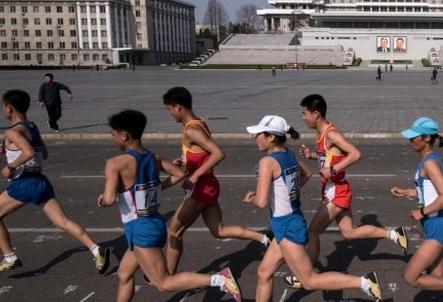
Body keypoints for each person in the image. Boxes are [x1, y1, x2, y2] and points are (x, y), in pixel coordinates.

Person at [98, 109, 242, 302]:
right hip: (150, 223)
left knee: (163, 283)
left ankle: (220, 279)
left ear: (124, 135)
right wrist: (157, 187)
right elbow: (179, 174)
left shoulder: (115, 163)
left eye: (113, 134)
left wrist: (102, 199)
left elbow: (108, 200)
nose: (113, 138)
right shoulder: (153, 157)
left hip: (141, 228)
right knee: (124, 274)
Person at [243, 115, 384, 301]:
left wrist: (251, 198)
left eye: (258, 134)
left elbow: (261, 202)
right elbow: (307, 174)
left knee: (309, 281)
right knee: (263, 273)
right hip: (288, 221)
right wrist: (286, 193)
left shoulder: (266, 162)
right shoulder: (287, 153)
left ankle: (364, 282)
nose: (255, 138)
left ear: (271, 137)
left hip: (286, 226)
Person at [284, 94, 408, 290]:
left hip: (337, 191)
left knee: (313, 232)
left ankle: (306, 275)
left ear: (316, 114)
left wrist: (333, 170)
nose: (303, 117)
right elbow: (330, 157)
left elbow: (355, 153)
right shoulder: (320, 133)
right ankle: (393, 234)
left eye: (304, 113)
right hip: (333, 189)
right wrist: (312, 155)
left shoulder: (332, 134)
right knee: (349, 233)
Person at [0, 89, 110, 274]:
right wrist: (10, 150)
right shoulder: (32, 126)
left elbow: (29, 152)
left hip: (23, 183)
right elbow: (44, 152)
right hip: (40, 181)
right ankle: (96, 249)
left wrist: (10, 167)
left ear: (9, 108)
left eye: (3, 106)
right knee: (62, 222)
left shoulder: (13, 131)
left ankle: (10, 256)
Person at [162, 87, 270, 274]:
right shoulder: (199, 123)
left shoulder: (192, 130)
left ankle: (167, 276)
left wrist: (194, 175)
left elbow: (218, 153)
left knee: (173, 231)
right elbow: (202, 154)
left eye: (169, 109)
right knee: (218, 230)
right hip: (208, 185)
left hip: (201, 188)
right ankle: (262, 239)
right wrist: (185, 161)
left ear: (178, 107)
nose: (169, 113)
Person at [390, 117, 443, 302]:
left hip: (438, 226)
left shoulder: (429, 163)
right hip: (435, 224)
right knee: (437, 279)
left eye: (414, 137)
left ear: (427, 138)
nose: (410, 141)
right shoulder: (428, 160)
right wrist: (406, 192)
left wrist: (421, 212)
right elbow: (428, 192)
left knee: (411, 278)